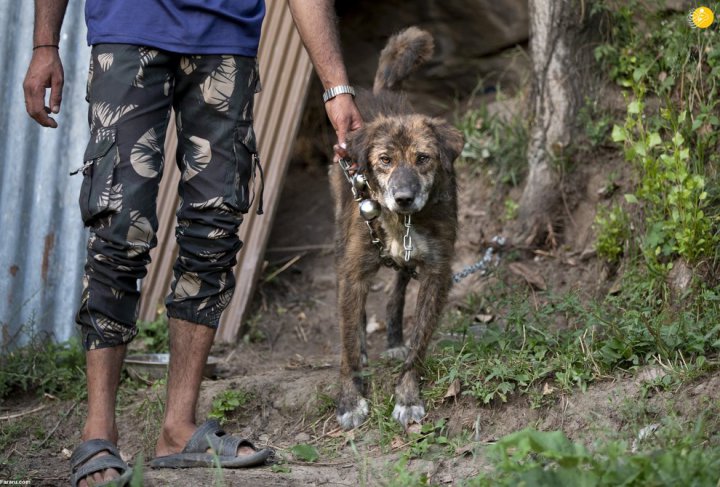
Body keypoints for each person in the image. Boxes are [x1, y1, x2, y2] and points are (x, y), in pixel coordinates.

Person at [23, 0, 362, 485]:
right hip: (127, 30)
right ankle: (98, 432)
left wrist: (336, 86)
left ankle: (178, 429)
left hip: (227, 42)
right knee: (120, 227)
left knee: (215, 230)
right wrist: (43, 45)